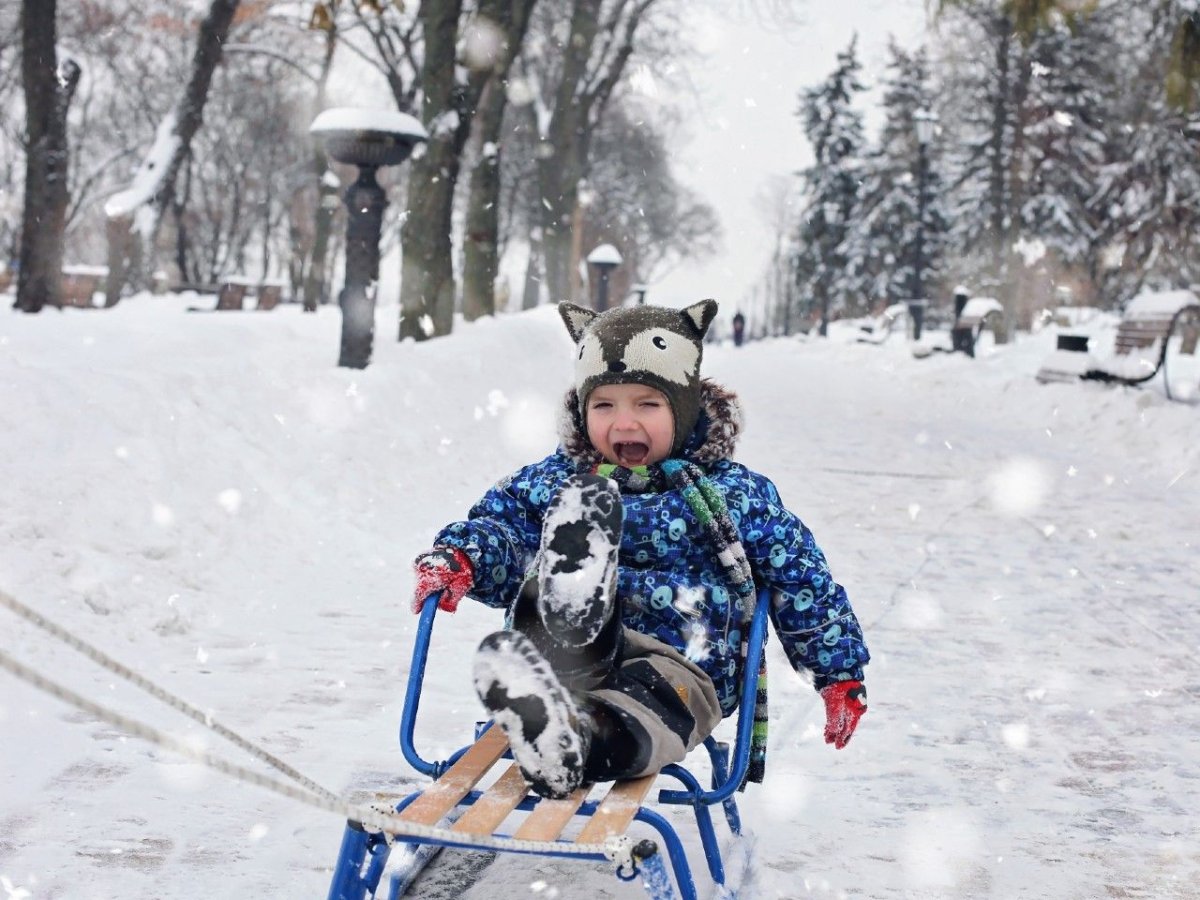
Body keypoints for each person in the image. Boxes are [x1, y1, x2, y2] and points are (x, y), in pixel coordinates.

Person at [411, 300, 869, 799]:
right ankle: (556, 656)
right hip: (578, 652)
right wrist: (464, 557)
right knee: (570, 532)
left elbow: (802, 581)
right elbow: (502, 528)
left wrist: (837, 672)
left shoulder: (736, 494)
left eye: (647, 404)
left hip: (683, 662)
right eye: (603, 406)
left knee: (649, 706)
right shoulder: (557, 479)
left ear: (685, 408)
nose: (624, 424)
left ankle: (572, 743)